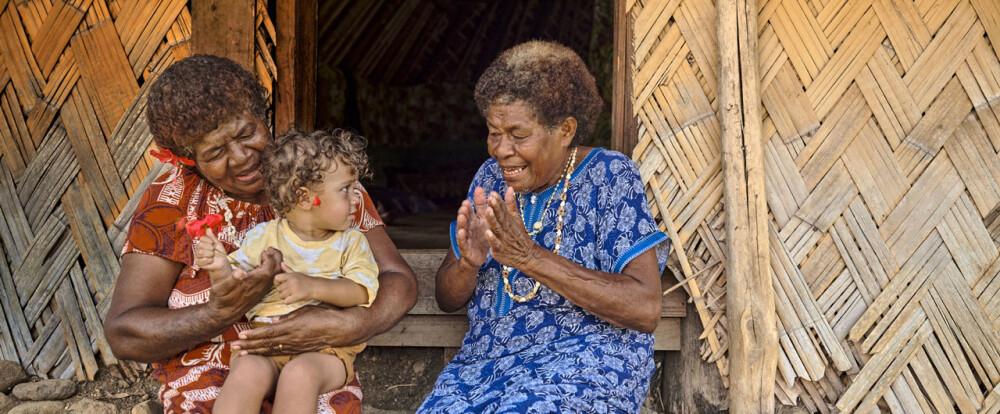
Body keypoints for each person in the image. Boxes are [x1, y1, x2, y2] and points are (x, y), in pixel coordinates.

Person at [103, 55, 417, 413]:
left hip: (310, 364)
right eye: (216, 152)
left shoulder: (323, 180)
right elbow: (124, 333)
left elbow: (398, 280)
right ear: (189, 158)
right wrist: (218, 313)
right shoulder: (172, 201)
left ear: (263, 116)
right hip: (208, 373)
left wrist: (351, 324)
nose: (240, 157)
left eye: (246, 133)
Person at [419, 40, 670, 413]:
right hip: (484, 368)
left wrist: (530, 257)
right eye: (493, 132)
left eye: (519, 136)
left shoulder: (609, 176)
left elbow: (645, 308)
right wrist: (468, 264)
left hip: (585, 362)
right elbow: (446, 297)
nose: (500, 150)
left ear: (565, 131)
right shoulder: (489, 178)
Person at [195, 129, 379, 413]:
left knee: (300, 375)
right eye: (345, 189)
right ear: (305, 199)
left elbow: (361, 290)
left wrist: (312, 287)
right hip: (266, 343)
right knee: (245, 373)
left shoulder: (351, 242)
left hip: (325, 351)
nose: (356, 199)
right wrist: (219, 268)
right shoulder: (264, 237)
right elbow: (233, 284)